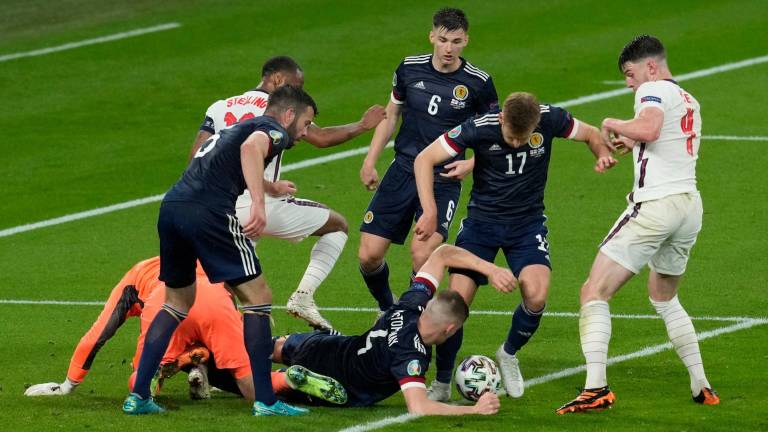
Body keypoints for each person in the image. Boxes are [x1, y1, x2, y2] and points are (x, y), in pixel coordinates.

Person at [123, 85, 318, 416]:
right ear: (288, 115)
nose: (305, 132)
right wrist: (259, 203)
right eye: (306, 122)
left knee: (176, 302)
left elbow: (229, 160)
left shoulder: (238, 127)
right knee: (258, 297)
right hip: (208, 212)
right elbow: (251, 152)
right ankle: (266, 401)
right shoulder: (271, 129)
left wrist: (269, 187)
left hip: (172, 207)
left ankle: (139, 395)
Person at [414, 92, 617, 400]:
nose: (517, 143)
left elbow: (590, 134)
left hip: (527, 224)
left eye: (524, 138)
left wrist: (600, 153)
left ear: (536, 123)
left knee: (536, 295)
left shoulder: (551, 118)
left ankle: (508, 353)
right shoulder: (477, 127)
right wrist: (430, 210)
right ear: (501, 119)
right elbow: (424, 159)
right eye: (511, 136)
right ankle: (442, 384)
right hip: (481, 224)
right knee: (455, 302)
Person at [556, 35, 719, 415]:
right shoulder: (687, 97)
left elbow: (650, 128)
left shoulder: (654, 89)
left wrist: (613, 122)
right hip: (689, 207)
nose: (630, 83)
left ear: (650, 67)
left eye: (630, 75)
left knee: (593, 291)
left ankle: (595, 389)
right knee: (664, 297)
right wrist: (634, 142)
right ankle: (701, 384)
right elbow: (660, 138)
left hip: (656, 207)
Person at [191, 56, 386, 330]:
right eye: (296, 85)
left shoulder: (219, 107)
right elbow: (320, 137)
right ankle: (303, 297)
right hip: (261, 203)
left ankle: (204, 355)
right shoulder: (278, 110)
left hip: (218, 208)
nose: (299, 93)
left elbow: (195, 157)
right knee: (337, 226)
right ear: (278, 80)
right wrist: (362, 125)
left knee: (223, 285)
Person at [24, 256, 346, 405]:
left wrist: (69, 384)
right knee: (252, 386)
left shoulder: (138, 275)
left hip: (165, 303)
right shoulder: (207, 259)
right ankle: (287, 378)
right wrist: (251, 316)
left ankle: (169, 371)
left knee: (141, 381)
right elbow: (238, 285)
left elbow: (100, 332)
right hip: (216, 303)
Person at [358, 7, 498, 314]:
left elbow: (494, 134)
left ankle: (411, 319)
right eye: (444, 40)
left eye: (457, 42)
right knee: (369, 255)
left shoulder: (478, 83)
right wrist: (370, 160)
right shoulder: (409, 68)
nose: (449, 48)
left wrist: (471, 164)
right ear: (432, 36)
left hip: (443, 178)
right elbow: (391, 113)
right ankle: (389, 309)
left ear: (466, 41)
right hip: (403, 170)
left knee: (422, 254)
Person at [272, 244, 516, 415]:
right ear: (450, 328)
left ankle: (264, 356)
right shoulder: (412, 355)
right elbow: (419, 406)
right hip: (341, 385)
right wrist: (474, 409)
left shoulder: (412, 303)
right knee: (253, 384)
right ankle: (284, 380)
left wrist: (491, 270)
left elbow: (442, 254)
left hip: (327, 347)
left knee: (263, 348)